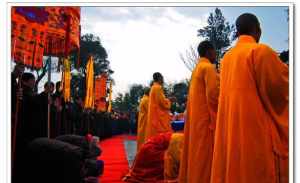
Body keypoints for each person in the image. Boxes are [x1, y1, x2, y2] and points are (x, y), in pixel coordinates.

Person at [211, 13, 288, 183]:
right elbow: (279, 90)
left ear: (237, 32)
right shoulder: (260, 51)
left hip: (232, 127)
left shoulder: (226, 58)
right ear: (258, 30)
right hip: (255, 129)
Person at [178, 40, 219, 183]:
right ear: (209, 52)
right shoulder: (208, 68)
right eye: (214, 51)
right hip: (206, 120)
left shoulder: (196, 69)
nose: (216, 54)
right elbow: (214, 95)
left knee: (197, 154)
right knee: (205, 157)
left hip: (196, 120)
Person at [144, 72, 174, 141]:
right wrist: (169, 101)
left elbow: (159, 101)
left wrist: (167, 99)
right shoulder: (157, 88)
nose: (163, 80)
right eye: (162, 78)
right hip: (158, 119)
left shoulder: (153, 88)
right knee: (161, 138)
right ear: (159, 78)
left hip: (154, 117)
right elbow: (162, 103)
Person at [136, 87, 150, 152]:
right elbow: (150, 110)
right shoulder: (146, 100)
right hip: (145, 121)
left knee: (142, 137)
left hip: (143, 120)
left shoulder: (143, 99)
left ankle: (140, 150)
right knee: (144, 137)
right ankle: (143, 151)